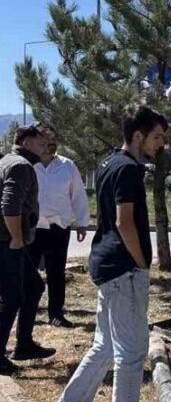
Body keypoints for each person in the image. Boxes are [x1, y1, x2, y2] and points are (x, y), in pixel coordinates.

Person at [43, 105, 168, 402]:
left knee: (106, 345)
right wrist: (142, 262)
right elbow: (124, 222)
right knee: (131, 350)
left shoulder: (108, 163)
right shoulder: (128, 169)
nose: (161, 144)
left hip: (106, 265)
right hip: (123, 269)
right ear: (138, 135)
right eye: (157, 137)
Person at [0, 126, 56, 375]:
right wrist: (15, 237)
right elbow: (9, 205)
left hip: (10, 241)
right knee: (11, 298)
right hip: (7, 241)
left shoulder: (8, 161)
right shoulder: (21, 165)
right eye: (40, 140)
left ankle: (24, 345)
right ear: (26, 141)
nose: (45, 144)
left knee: (34, 286)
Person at [30, 123, 91, 328]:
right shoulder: (28, 165)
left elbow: (78, 196)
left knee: (56, 273)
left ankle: (56, 314)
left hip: (59, 227)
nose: (50, 143)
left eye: (53, 140)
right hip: (32, 228)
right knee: (27, 274)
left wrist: (82, 223)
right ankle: (26, 313)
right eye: (45, 139)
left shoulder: (67, 166)